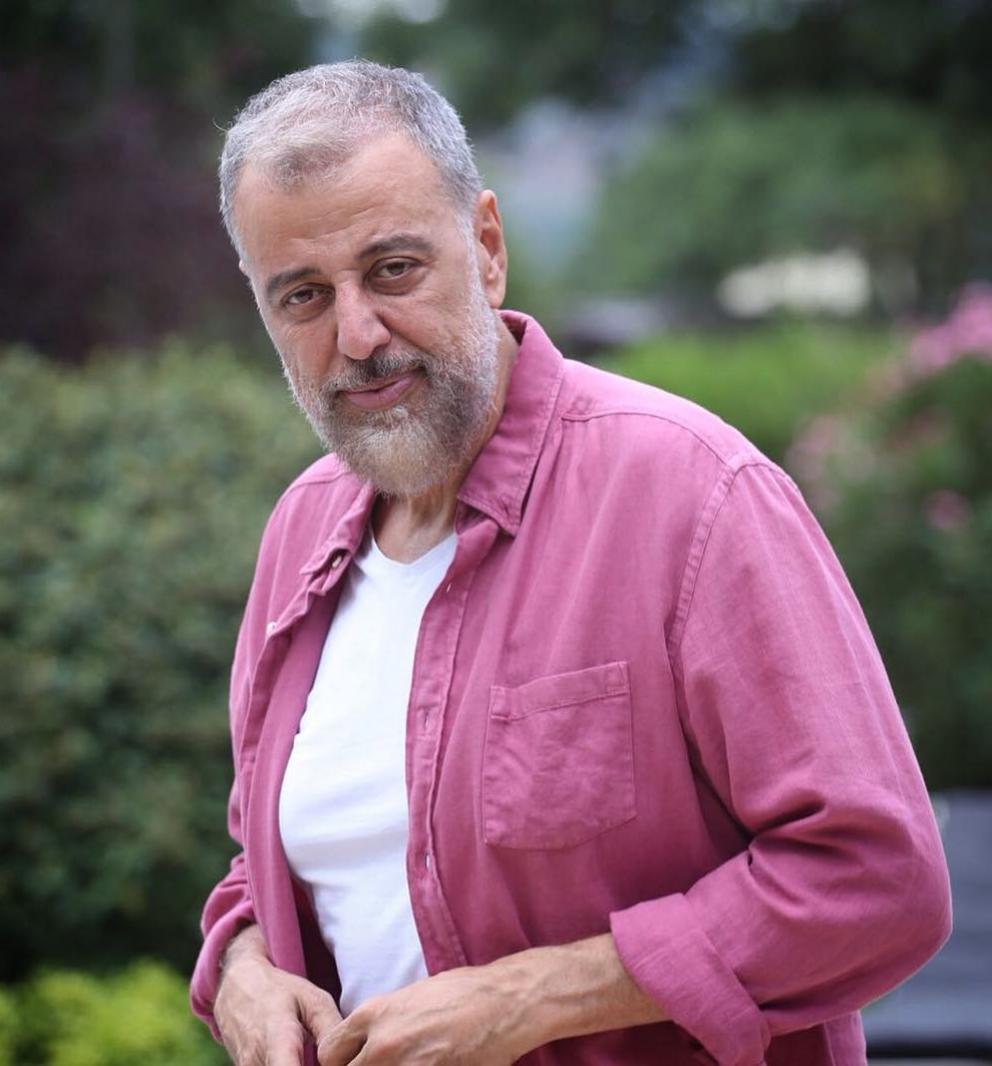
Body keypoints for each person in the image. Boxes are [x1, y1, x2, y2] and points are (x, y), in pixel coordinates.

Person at [191, 60, 951, 1066]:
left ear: (487, 248)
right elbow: (274, 866)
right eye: (302, 296)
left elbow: (876, 879)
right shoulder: (299, 533)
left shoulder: (693, 491)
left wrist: (532, 998)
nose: (358, 335)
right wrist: (240, 966)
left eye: (393, 270)